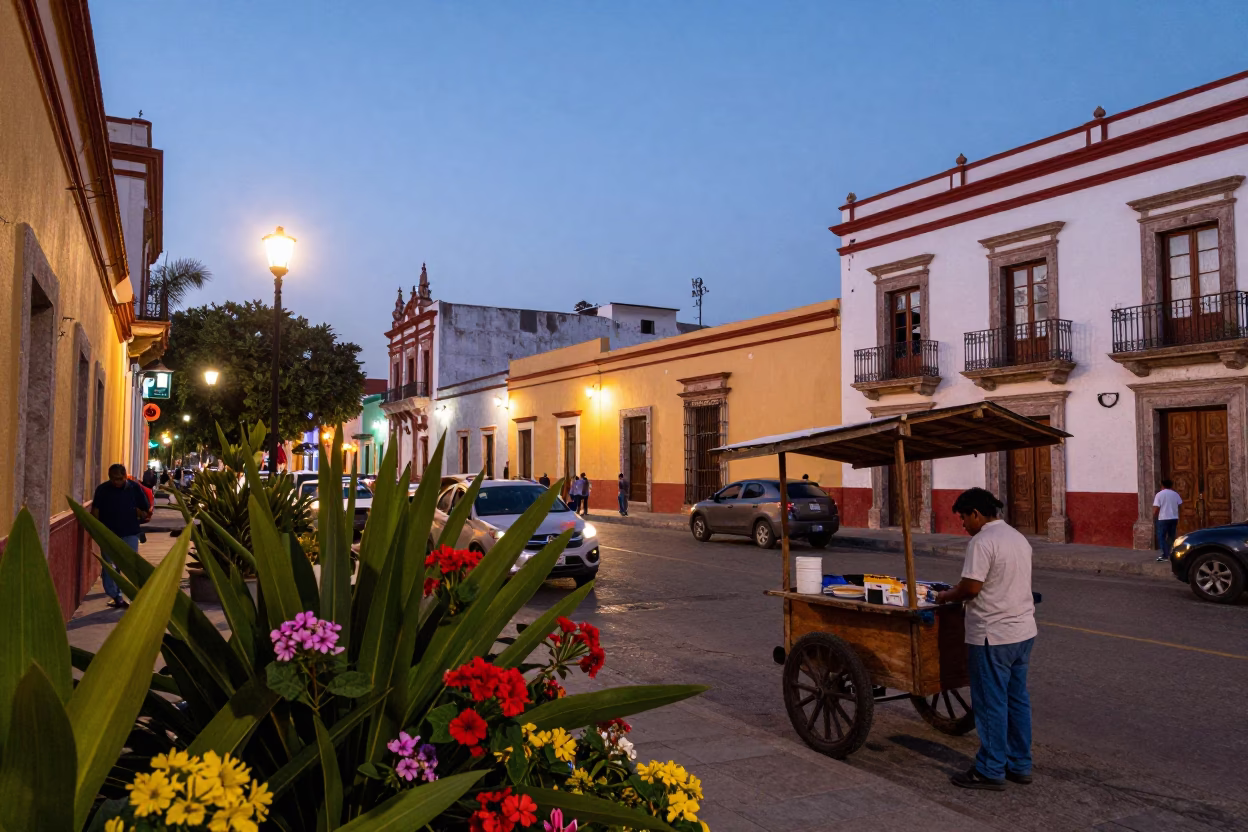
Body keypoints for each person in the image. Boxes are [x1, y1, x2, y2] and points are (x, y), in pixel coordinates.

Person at [935, 487, 1035, 791]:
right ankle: (1020, 764)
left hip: (993, 635)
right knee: (1017, 700)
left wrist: (945, 596)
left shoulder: (983, 541)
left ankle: (990, 769)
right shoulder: (1017, 538)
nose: (963, 525)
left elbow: (970, 589)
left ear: (976, 514)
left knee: (991, 702)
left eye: (964, 518)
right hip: (1023, 632)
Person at [91, 464, 152, 609]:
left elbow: (145, 507)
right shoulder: (102, 489)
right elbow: (95, 511)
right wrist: (97, 530)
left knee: (131, 565)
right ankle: (116, 596)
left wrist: (141, 513)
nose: (116, 482)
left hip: (130, 532)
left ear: (125, 477)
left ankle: (136, 595)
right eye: (113, 479)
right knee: (109, 567)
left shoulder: (134, 488)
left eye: (119, 479)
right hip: (108, 533)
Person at [1153, 479, 1183, 563]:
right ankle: (1171, 552)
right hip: (1173, 518)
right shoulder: (1175, 494)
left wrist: (1154, 516)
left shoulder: (1159, 495)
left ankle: (1165, 555)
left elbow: (1156, 508)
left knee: (1161, 536)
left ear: (1162, 485)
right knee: (1171, 536)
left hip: (1163, 518)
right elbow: (1180, 505)